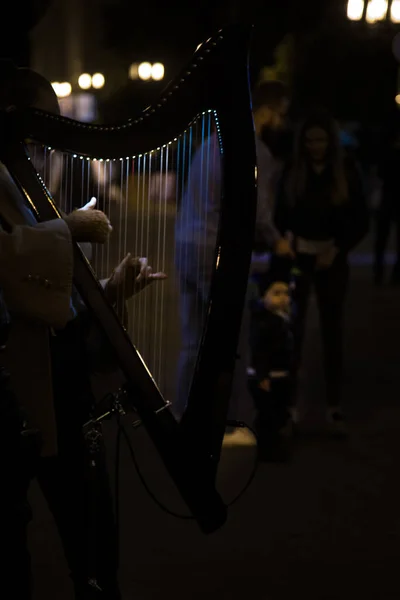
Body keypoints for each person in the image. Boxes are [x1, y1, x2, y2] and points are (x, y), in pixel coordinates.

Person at [0, 64, 166, 599]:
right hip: (26, 387)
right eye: (45, 124)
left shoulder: (21, 179)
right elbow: (12, 270)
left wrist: (111, 291)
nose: (52, 138)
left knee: (93, 533)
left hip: (56, 380)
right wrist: (67, 230)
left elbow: (45, 290)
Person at [174, 80, 293, 421]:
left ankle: (185, 414)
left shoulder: (210, 144)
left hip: (185, 243)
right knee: (233, 340)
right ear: (269, 110)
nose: (280, 123)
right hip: (214, 250)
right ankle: (232, 418)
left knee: (191, 342)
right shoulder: (256, 151)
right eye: (279, 114)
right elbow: (260, 213)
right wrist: (278, 242)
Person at [274, 109, 369, 435]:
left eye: (321, 140)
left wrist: (337, 247)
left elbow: (360, 218)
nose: (316, 146)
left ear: (331, 142)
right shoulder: (294, 170)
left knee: (332, 328)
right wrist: (286, 237)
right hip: (300, 255)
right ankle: (290, 404)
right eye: (310, 140)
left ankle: (333, 404)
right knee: (293, 329)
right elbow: (281, 213)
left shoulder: (345, 170)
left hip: (331, 256)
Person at [248, 256, 294, 462]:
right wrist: (262, 375)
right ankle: (268, 449)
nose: (283, 297)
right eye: (276, 293)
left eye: (286, 293)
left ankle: (274, 445)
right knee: (268, 415)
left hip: (279, 374)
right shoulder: (264, 323)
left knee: (278, 412)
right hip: (267, 376)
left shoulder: (282, 318)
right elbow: (260, 351)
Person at [374, 127, 400, 285]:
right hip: (389, 199)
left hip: (388, 198)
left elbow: (380, 173)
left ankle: (381, 272)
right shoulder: (389, 153)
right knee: (383, 238)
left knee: (382, 238)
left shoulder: (387, 153)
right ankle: (385, 272)